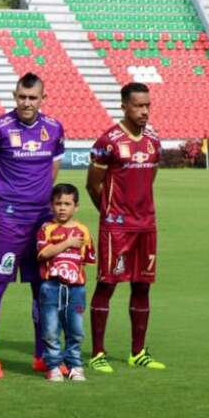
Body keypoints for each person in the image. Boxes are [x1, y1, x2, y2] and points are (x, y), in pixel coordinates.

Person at [0, 73, 65, 378]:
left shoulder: (54, 128)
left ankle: (42, 355)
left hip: (42, 219)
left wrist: (36, 198)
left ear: (43, 98)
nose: (27, 103)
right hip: (8, 219)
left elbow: (53, 168)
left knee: (42, 288)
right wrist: (7, 198)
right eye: (22, 97)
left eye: (33, 98)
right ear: (15, 96)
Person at [87, 82, 165, 373]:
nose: (144, 111)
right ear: (124, 106)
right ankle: (97, 352)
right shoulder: (108, 141)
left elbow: (151, 177)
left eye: (147, 105)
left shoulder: (154, 140)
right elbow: (93, 185)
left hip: (146, 224)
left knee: (142, 285)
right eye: (138, 106)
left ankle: (138, 352)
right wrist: (110, 215)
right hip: (116, 228)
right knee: (107, 284)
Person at [37, 184, 95, 382]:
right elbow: (43, 253)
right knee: (51, 328)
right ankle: (53, 365)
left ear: (76, 207)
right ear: (51, 206)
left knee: (76, 329)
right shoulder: (47, 228)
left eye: (67, 204)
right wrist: (67, 243)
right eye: (58, 203)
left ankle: (75, 364)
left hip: (76, 288)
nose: (62, 208)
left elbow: (87, 258)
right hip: (51, 287)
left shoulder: (83, 230)